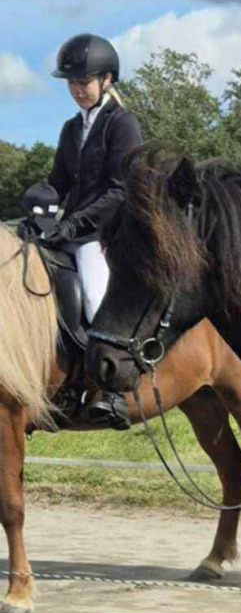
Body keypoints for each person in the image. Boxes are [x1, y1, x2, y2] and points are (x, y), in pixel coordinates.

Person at [47, 33, 143, 428]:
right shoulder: (72, 128)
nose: (76, 89)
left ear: (106, 80)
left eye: (83, 82)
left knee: (94, 296)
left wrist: (74, 223)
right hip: (71, 231)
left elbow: (121, 191)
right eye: (71, 82)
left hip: (104, 235)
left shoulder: (122, 124)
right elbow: (57, 183)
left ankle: (112, 392)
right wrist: (39, 205)